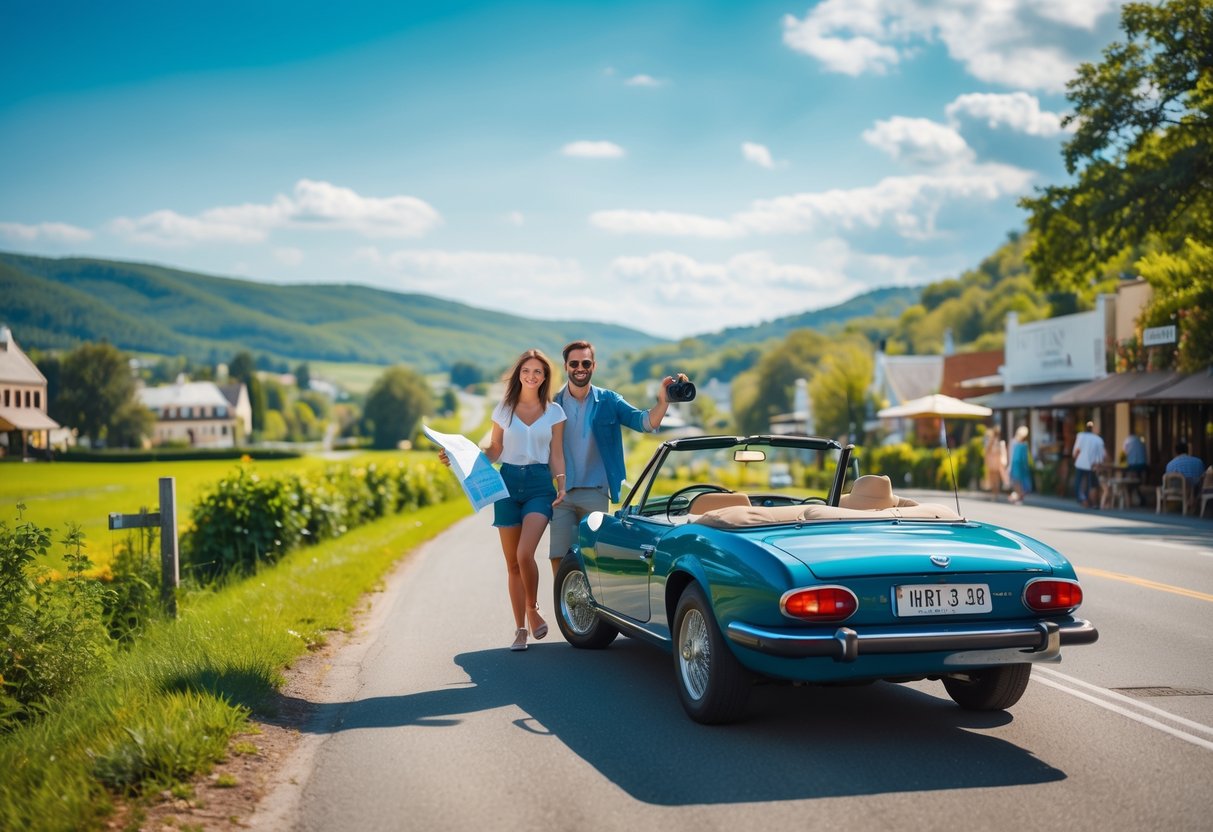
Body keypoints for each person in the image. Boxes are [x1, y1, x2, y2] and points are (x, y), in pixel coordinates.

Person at [442, 349, 567, 652]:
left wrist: (561, 485)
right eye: (527, 371)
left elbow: (556, 454)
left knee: (525, 554)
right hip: (507, 484)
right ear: (519, 374)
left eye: (538, 372)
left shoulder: (554, 412)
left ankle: (533, 608)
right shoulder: (504, 408)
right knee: (512, 565)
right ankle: (520, 629)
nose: (532, 376)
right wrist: (459, 460)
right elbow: (495, 449)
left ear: (545, 377)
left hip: (539, 486)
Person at [548, 340, 686, 574]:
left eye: (586, 362)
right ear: (566, 366)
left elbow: (644, 422)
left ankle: (592, 609)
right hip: (561, 494)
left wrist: (663, 401)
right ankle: (566, 608)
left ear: (594, 365)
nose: (580, 367)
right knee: (559, 557)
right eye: (574, 363)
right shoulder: (553, 403)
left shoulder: (609, 401)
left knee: (593, 559)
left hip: (596, 492)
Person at [1072, 421, 1107, 508]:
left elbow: (1076, 451)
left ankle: (1082, 500)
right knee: (1090, 484)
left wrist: (1075, 459)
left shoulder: (1081, 436)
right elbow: (1103, 455)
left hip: (1080, 463)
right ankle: (1090, 501)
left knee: (1079, 483)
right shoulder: (1098, 439)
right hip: (1092, 465)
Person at [1008, 425, 1032, 504]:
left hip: (1018, 464)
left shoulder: (1020, 444)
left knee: (1018, 482)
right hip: (1018, 464)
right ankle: (1019, 496)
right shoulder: (1020, 444)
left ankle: (1019, 497)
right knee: (1017, 481)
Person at [982, 425, 1008, 501]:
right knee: (994, 478)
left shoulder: (998, 441)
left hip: (995, 461)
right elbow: (988, 450)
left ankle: (995, 494)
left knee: (994, 478)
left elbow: (988, 451)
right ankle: (995, 494)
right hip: (994, 461)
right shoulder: (995, 441)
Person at [1123, 432, 1147, 505]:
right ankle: (1139, 498)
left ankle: (1128, 500)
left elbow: (1124, 452)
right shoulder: (1140, 441)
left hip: (1132, 464)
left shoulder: (1127, 441)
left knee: (1129, 482)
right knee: (1137, 482)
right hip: (1141, 464)